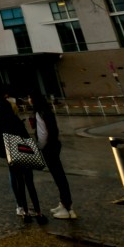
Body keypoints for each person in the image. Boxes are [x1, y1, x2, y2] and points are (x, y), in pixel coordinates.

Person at [0, 95, 44, 224]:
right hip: (24, 153)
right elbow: (25, 136)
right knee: (30, 184)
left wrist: (5, 156)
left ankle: (25, 213)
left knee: (19, 184)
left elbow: (0, 141)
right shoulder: (15, 119)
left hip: (12, 156)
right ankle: (39, 213)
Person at [29, 91, 77, 219]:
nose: (28, 100)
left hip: (48, 147)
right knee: (59, 175)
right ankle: (64, 204)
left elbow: (43, 133)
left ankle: (67, 207)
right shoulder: (47, 111)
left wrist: (39, 147)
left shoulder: (39, 113)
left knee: (58, 176)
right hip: (55, 145)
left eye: (30, 98)